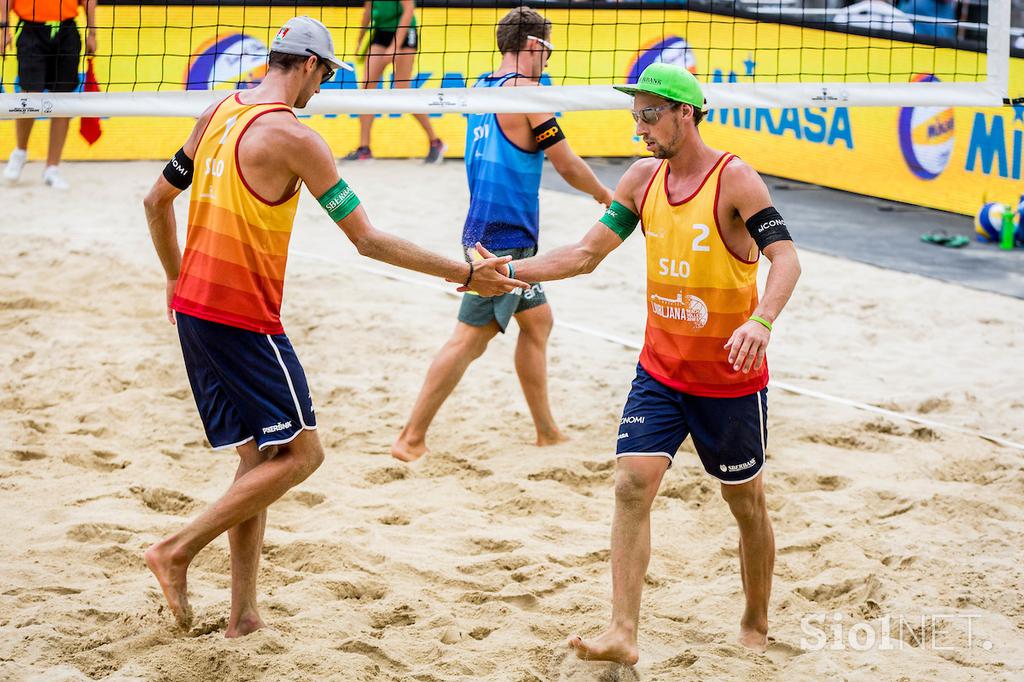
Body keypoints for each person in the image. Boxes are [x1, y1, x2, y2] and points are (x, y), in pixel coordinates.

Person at [141, 16, 524, 637]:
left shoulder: (217, 111)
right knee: (302, 455)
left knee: (260, 459)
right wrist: (465, 272)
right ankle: (177, 549)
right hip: (242, 318)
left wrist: (172, 277)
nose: (323, 88)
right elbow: (367, 240)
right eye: (326, 75)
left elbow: (156, 201)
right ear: (311, 66)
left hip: (194, 311)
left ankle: (242, 615)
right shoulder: (295, 137)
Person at [483, 62, 802, 662]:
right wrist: (506, 272)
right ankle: (622, 632)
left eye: (650, 115)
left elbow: (785, 260)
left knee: (744, 502)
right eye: (635, 116)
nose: (641, 127)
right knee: (631, 484)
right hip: (660, 370)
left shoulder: (736, 181)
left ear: (688, 113)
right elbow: (583, 255)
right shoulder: (640, 180)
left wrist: (761, 322)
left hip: (728, 379)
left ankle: (755, 621)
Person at [391, 6, 613, 463]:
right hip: (503, 238)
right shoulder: (527, 96)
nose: (549, 61)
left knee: (538, 322)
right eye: (547, 51)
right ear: (534, 45)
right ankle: (410, 437)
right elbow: (567, 164)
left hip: (485, 227)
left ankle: (547, 432)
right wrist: (607, 198)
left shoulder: (482, 90)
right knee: (469, 338)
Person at [1, 0, 97, 189]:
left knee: (63, 100)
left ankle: (52, 168)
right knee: (29, 97)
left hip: (66, 29)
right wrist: (3, 28)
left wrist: (92, 32)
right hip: (30, 29)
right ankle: (20, 151)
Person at [344, 0, 444, 163]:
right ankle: (364, 149)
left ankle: (436, 142)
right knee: (367, 88)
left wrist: (395, 45)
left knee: (402, 91)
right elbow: (368, 10)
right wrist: (360, 40)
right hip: (381, 32)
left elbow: (409, 10)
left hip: (404, 32)